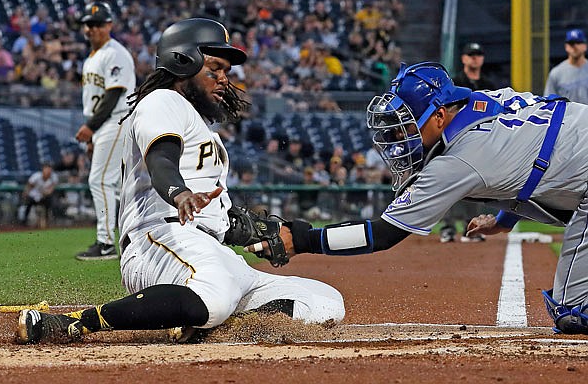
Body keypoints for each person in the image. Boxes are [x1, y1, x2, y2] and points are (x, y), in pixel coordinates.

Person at [17, 18, 344, 345]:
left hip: (210, 251)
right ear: (182, 62)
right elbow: (161, 159)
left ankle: (200, 322)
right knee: (216, 296)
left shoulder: (204, 130)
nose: (224, 80)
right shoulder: (161, 101)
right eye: (215, 69)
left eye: (227, 72)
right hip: (159, 241)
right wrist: (179, 192)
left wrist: (248, 229)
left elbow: (219, 216)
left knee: (325, 302)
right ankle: (72, 323)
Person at [248, 61, 588, 336]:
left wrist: (303, 239)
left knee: (570, 312)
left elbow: (384, 234)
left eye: (408, 126)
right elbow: (533, 153)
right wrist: (504, 219)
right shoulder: (483, 102)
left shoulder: (457, 161)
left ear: (439, 116)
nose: (400, 138)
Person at [74, 2, 136, 260]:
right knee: (119, 184)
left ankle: (106, 242)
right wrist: (93, 134)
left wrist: (90, 127)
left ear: (109, 25)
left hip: (116, 119)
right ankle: (130, 236)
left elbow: (113, 94)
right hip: (104, 124)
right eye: (88, 24)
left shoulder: (115, 53)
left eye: (98, 24)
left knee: (99, 180)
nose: (92, 29)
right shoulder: (92, 58)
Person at [439, 42, 497, 243]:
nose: (475, 58)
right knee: (451, 185)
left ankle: (470, 227)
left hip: (481, 143)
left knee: (476, 187)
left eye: (478, 54)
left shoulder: (489, 86)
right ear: (463, 58)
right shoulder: (455, 84)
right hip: (457, 141)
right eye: (471, 54)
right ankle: (447, 227)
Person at [544, 28, 588, 104]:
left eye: (578, 42)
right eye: (571, 43)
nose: (575, 46)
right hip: (567, 115)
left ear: (585, 46)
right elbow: (549, 102)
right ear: (566, 47)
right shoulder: (556, 73)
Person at [19, 162, 58, 226]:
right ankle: (24, 221)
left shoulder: (54, 177)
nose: (48, 171)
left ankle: (47, 221)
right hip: (33, 196)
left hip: (44, 196)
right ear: (43, 169)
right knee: (28, 204)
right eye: (46, 169)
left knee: (50, 202)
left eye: (49, 169)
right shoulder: (36, 176)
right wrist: (25, 195)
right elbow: (28, 187)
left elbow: (50, 190)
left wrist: (45, 192)